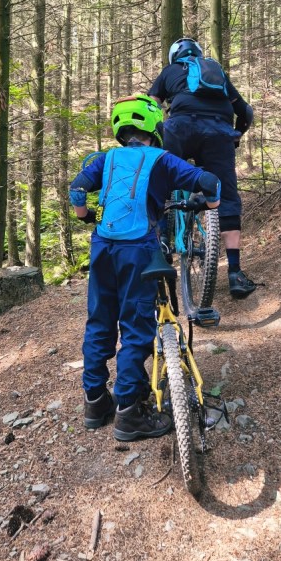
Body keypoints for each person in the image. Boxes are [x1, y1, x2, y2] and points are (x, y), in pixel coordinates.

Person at [69, 94, 221, 441]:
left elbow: (77, 191)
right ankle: (129, 412)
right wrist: (209, 204)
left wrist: (88, 217)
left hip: (102, 246)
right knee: (136, 326)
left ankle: (95, 402)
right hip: (139, 248)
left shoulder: (104, 160)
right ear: (155, 126)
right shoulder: (162, 159)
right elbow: (210, 183)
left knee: (100, 320)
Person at [148, 37, 256, 323]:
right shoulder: (216, 72)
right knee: (227, 197)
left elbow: (149, 107)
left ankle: (159, 247)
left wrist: (156, 136)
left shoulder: (169, 72)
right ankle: (235, 273)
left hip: (179, 129)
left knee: (161, 181)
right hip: (218, 133)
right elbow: (245, 112)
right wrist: (235, 136)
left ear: (174, 57)